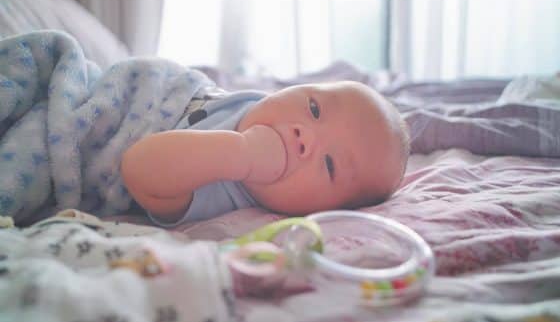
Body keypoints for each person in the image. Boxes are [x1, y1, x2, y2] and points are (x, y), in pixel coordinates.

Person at [121, 80, 410, 226]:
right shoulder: (262, 105)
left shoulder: (217, 193)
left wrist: (242, 153)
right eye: (314, 108)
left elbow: (137, 167)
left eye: (330, 164)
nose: (304, 136)